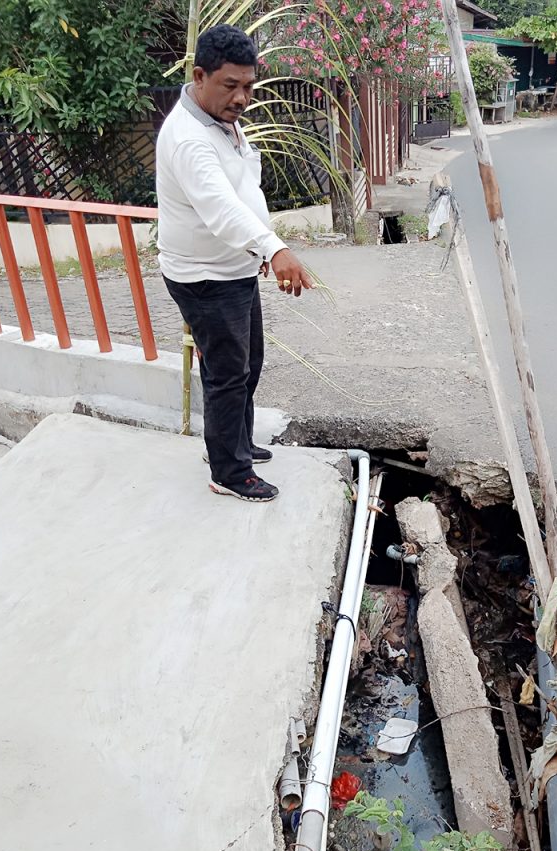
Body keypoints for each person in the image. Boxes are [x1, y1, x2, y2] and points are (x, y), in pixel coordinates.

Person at [156, 23, 312, 502]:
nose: (242, 98)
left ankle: (233, 443)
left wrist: (258, 248)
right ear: (199, 76)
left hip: (233, 267)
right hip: (206, 277)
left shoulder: (218, 118)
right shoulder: (189, 138)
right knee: (228, 374)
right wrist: (273, 248)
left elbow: (239, 189)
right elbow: (220, 209)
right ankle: (229, 472)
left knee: (246, 364)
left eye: (248, 86)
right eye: (230, 85)